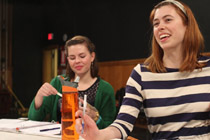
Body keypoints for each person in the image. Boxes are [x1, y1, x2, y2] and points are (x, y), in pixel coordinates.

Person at [75, 0, 210, 139]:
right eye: (156, 23)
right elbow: (123, 124)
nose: (160, 27)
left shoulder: (208, 69)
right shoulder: (142, 73)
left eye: (168, 20)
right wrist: (99, 135)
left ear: (187, 25)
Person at [28, 35, 116, 129]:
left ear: (92, 56)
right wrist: (39, 96)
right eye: (72, 58)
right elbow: (33, 119)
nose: (77, 61)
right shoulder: (58, 83)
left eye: (82, 56)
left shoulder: (105, 89)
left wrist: (96, 117)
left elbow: (110, 130)